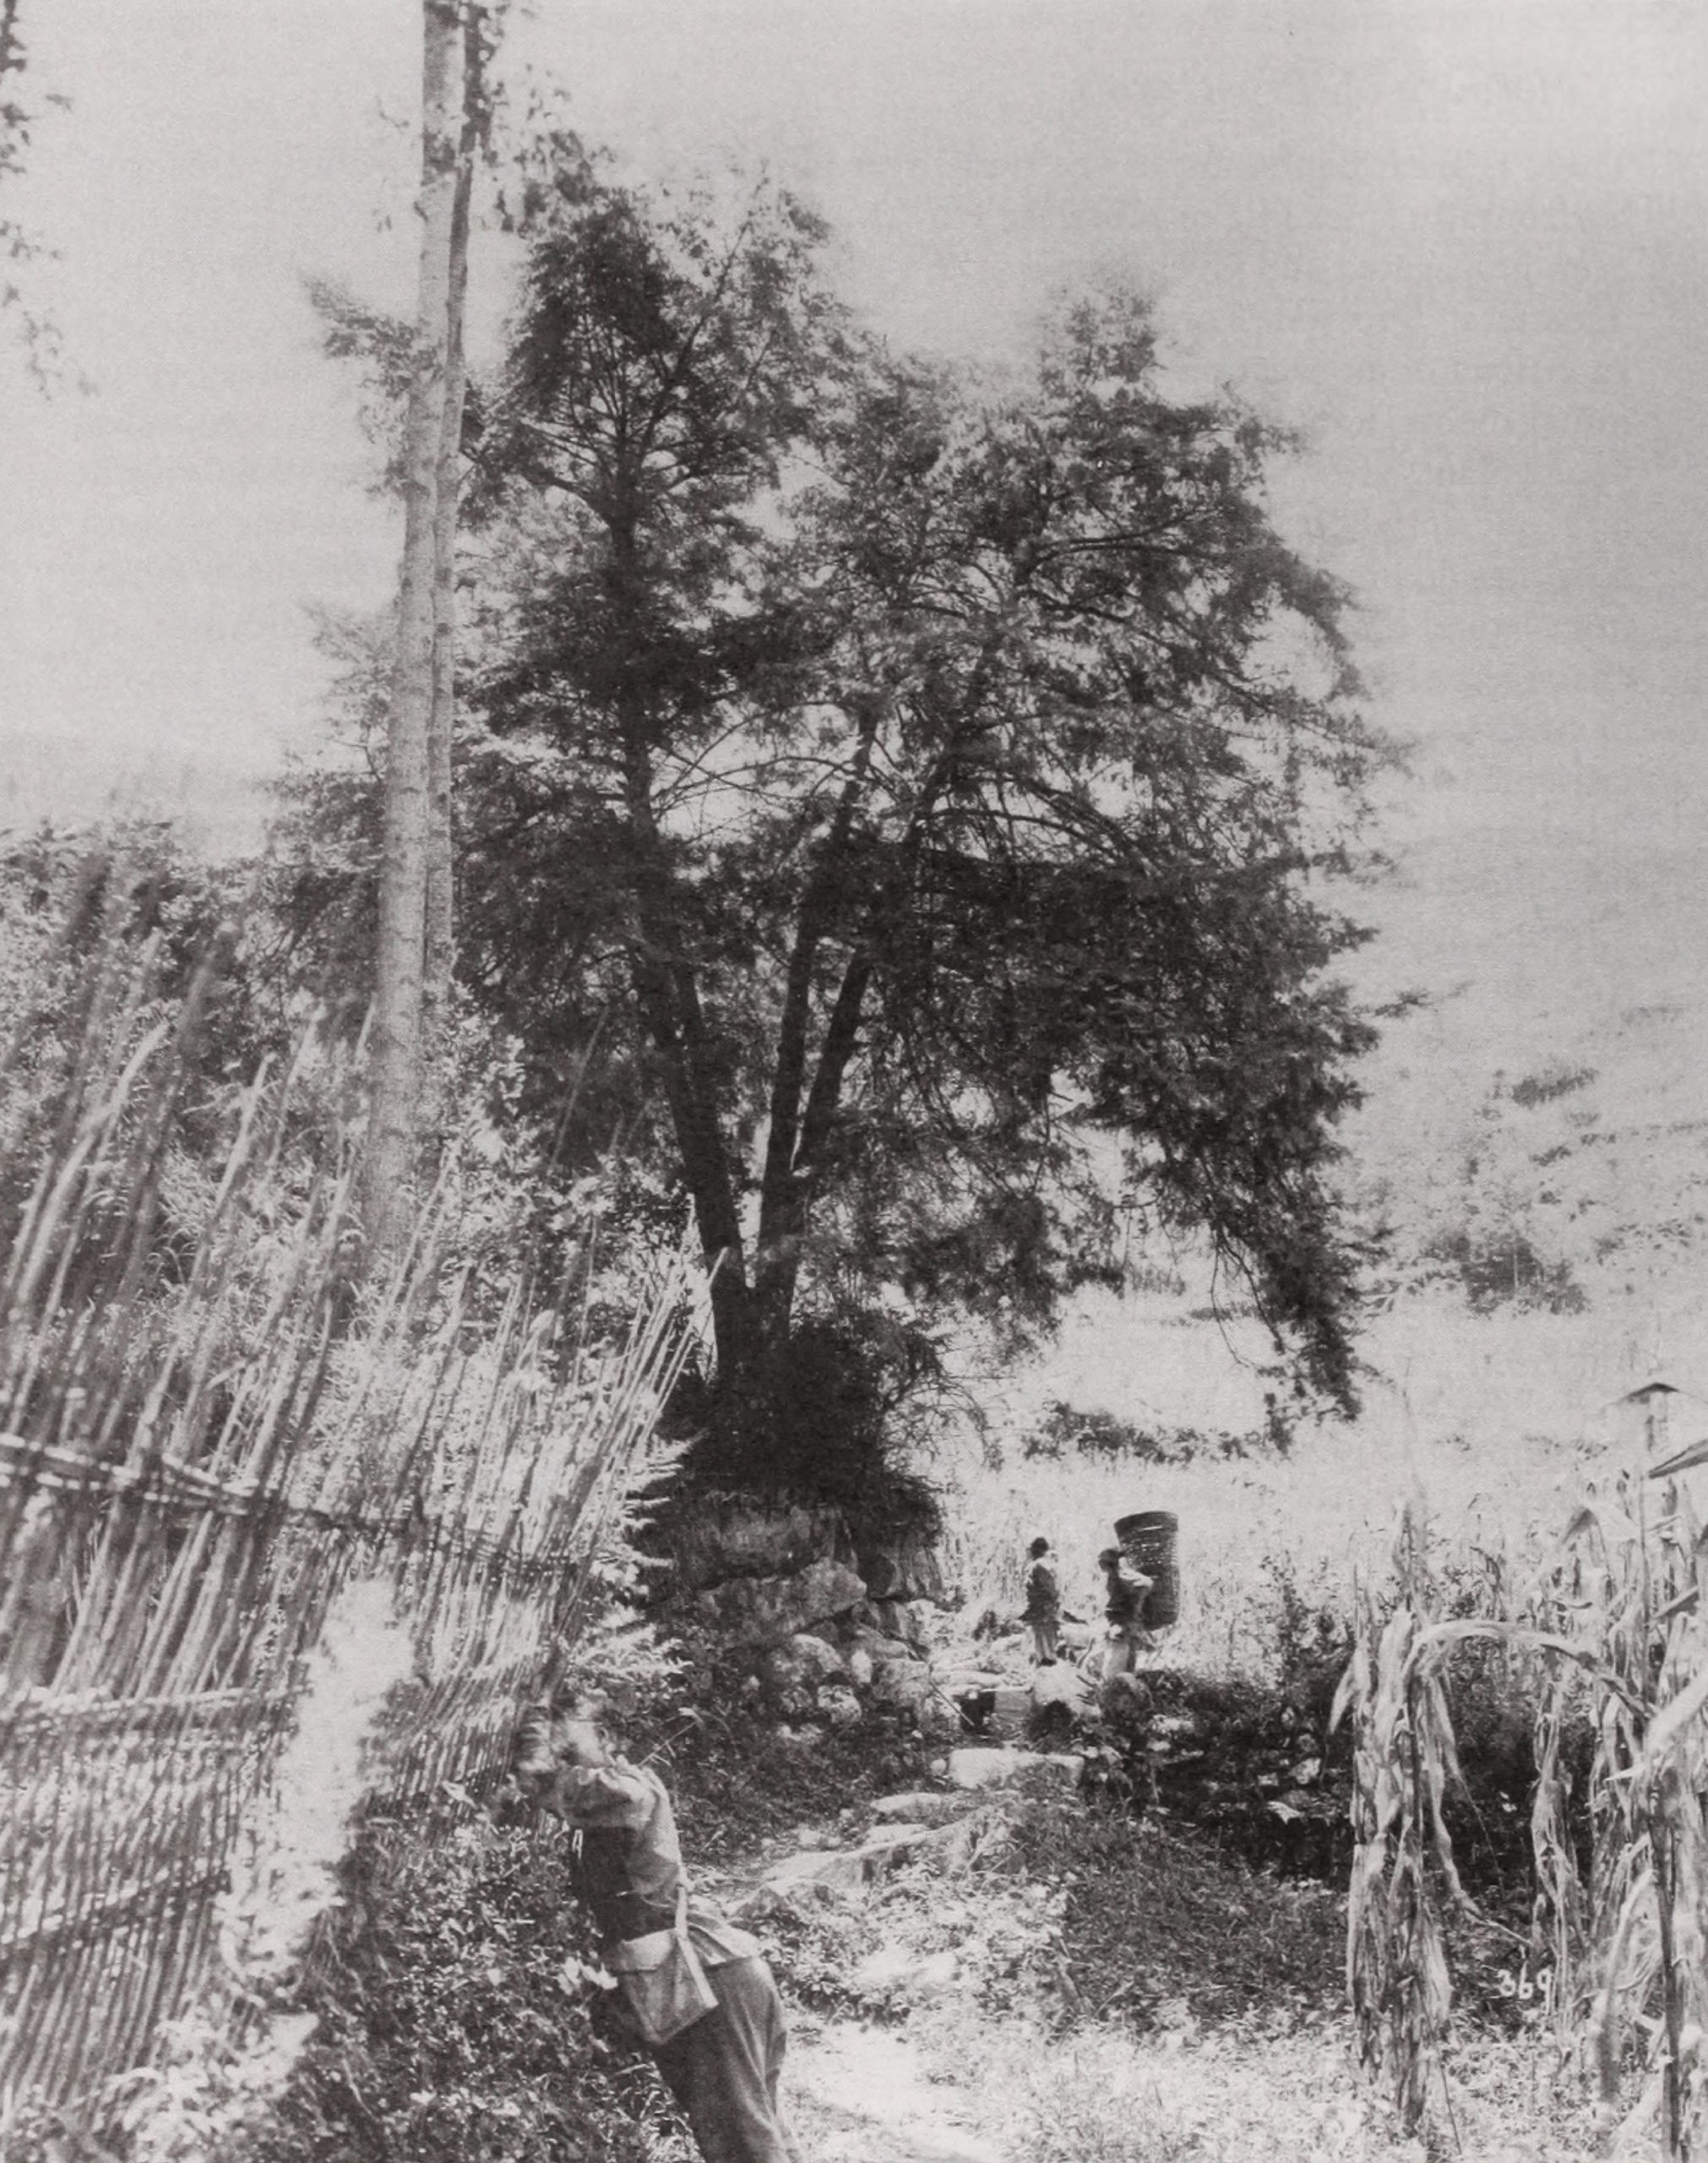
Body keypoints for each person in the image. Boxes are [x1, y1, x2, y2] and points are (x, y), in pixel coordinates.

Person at [512, 1693, 802, 2163]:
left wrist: (536, 1715)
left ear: (605, 1737)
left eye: (569, 1740)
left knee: (743, 2145)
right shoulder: (610, 1802)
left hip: (709, 1984)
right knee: (759, 2134)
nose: (560, 1751)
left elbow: (540, 1780)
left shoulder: (625, 1791)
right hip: (717, 1975)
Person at [1097, 1545, 1153, 1680]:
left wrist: (1135, 1604)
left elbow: (1147, 1583)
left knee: (1115, 1666)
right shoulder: (1114, 1576)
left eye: (1102, 1562)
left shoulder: (1122, 1575)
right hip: (1124, 1622)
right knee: (1127, 1661)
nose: (1100, 1565)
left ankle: (1117, 1689)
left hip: (1124, 1623)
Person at [1020, 1535, 1061, 1664]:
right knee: (1045, 1642)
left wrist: (1045, 1606)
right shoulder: (1048, 1564)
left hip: (1041, 1610)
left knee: (1042, 1643)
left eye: (1032, 1550)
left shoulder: (1038, 1566)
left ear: (1037, 1550)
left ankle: (1046, 1667)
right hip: (1043, 1610)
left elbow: (1049, 1590)